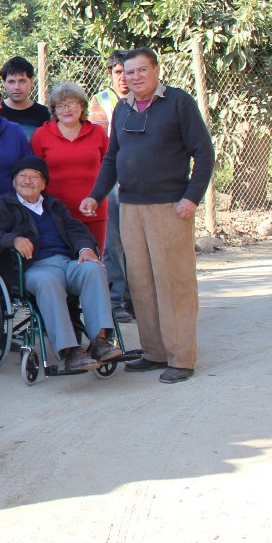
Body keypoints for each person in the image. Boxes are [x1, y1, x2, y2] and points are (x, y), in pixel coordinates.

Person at [84, 47, 214, 384]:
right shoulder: (122, 109)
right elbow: (112, 158)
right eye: (129, 72)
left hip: (169, 207)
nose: (135, 77)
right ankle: (154, 352)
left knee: (173, 282)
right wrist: (96, 195)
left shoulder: (178, 102)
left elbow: (204, 153)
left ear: (156, 70)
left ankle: (181, 358)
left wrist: (191, 198)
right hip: (130, 207)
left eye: (142, 69)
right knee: (141, 282)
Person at [0, 157, 123, 372]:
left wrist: (85, 248)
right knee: (47, 281)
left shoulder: (54, 205)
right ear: (14, 181)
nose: (28, 181)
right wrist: (12, 239)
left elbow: (76, 229)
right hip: (33, 267)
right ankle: (70, 351)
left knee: (94, 269)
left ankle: (100, 342)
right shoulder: (2, 206)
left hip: (67, 262)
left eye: (34, 177)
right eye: (22, 176)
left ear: (44, 183)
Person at [33, 82, 110, 249]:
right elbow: (34, 172)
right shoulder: (41, 134)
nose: (66, 110)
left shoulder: (98, 133)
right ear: (54, 110)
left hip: (92, 211)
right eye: (60, 106)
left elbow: (110, 168)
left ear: (82, 106)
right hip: (55, 213)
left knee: (93, 258)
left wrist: (97, 198)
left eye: (72, 104)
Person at [87, 50, 134, 320]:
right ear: (111, 74)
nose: (124, 78)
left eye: (128, 72)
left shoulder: (145, 99)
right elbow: (103, 145)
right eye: (118, 72)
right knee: (113, 241)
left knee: (136, 241)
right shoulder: (101, 101)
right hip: (113, 179)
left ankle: (135, 299)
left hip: (140, 179)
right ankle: (115, 299)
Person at [0, 56, 51, 140]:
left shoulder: (44, 114)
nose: (17, 87)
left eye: (22, 81)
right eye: (11, 82)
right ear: (4, 83)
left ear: (31, 81)